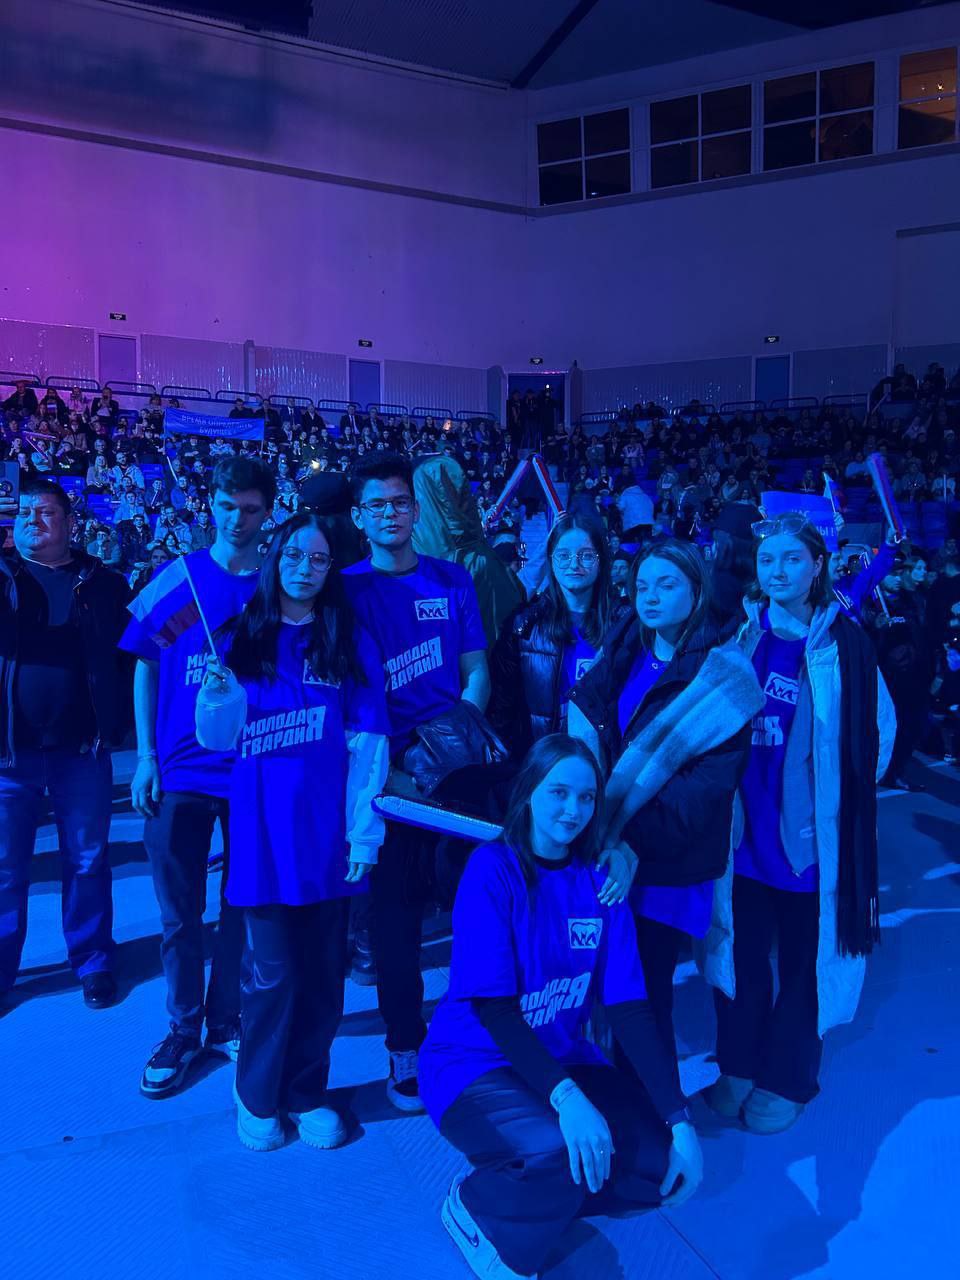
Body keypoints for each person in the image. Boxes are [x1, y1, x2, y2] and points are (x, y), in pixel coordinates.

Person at [419, 735, 703, 1280]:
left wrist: (680, 1120)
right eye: (558, 793)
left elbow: (630, 1010)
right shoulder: (492, 870)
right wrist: (569, 1100)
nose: (573, 810)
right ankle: (476, 1208)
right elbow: (497, 1012)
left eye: (586, 797)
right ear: (529, 792)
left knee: (656, 1164)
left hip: (562, 1056)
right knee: (554, 1150)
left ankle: (541, 1184)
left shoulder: (601, 880)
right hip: (472, 1064)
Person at [200, 513, 389, 1151]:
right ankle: (256, 1093)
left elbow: (369, 743)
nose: (305, 568)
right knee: (272, 975)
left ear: (331, 568)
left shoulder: (348, 640)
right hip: (262, 840)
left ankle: (307, 1091)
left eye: (319, 558)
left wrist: (364, 833)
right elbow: (216, 739)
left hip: (328, 840)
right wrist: (216, 698)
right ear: (274, 557)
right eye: (294, 555)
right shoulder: (237, 638)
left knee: (324, 976)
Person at [703, 513, 895, 1133]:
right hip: (742, 840)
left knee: (805, 968)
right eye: (767, 560)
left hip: (810, 846)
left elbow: (879, 734)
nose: (777, 571)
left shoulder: (846, 647)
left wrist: (832, 804)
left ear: (817, 566)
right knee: (737, 958)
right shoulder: (738, 638)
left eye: (792, 559)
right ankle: (738, 1064)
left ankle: (788, 1076)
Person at [570, 540, 759, 1100]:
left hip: (666, 862)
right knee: (605, 984)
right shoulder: (624, 644)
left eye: (667, 585)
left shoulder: (725, 678)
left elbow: (702, 794)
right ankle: (614, 1098)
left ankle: (657, 1118)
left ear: (697, 592)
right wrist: (594, 830)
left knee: (644, 993)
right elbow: (590, 724)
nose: (649, 597)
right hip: (603, 846)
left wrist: (625, 843)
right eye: (642, 585)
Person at [121, 456, 275, 1098]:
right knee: (179, 912)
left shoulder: (277, 583)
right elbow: (145, 665)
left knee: (243, 904)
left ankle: (227, 1019)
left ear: (267, 512)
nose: (237, 519)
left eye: (250, 509)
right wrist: (146, 757)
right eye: (226, 506)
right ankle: (183, 1028)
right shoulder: (177, 578)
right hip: (180, 771)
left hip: (254, 770)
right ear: (208, 503)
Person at [343, 453, 489, 1113]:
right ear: (359, 516)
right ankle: (405, 1044)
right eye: (376, 505)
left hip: (453, 776)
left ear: (416, 509)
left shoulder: (452, 579)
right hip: (388, 785)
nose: (390, 514)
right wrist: (394, 772)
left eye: (399, 502)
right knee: (395, 928)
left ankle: (476, 1034)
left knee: (476, 917)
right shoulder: (342, 590)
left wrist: (453, 748)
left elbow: (475, 672)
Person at [0, 478, 131, 1010]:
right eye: (23, 513)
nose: (32, 521)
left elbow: (130, 657)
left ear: (70, 523)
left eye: (46, 512)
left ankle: (93, 959)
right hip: (8, 756)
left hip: (82, 751)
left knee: (87, 860)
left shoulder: (105, 584)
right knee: (5, 869)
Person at [489, 515, 623, 760]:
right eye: (563, 555)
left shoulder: (625, 625)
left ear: (601, 561)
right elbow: (502, 708)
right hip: (542, 762)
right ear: (551, 561)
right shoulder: (524, 626)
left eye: (586, 555)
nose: (574, 564)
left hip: (609, 764)